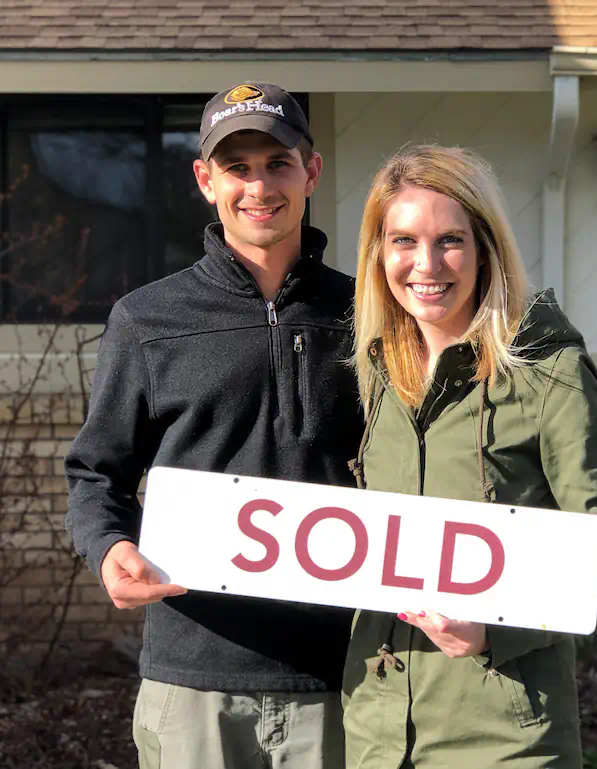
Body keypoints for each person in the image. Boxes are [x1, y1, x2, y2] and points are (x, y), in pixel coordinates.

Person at [64, 83, 363, 769]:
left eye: (278, 163)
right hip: (193, 678)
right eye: (238, 167)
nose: (259, 186)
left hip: (337, 680)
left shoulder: (368, 312)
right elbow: (95, 472)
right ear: (206, 180)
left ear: (311, 172)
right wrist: (109, 546)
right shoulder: (147, 320)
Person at [342, 145, 597, 768]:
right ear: (378, 253)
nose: (426, 264)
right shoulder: (373, 373)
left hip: (506, 737)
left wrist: (495, 628)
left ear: (485, 247)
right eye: (403, 241)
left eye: (449, 240)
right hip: (377, 733)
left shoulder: (547, 372)